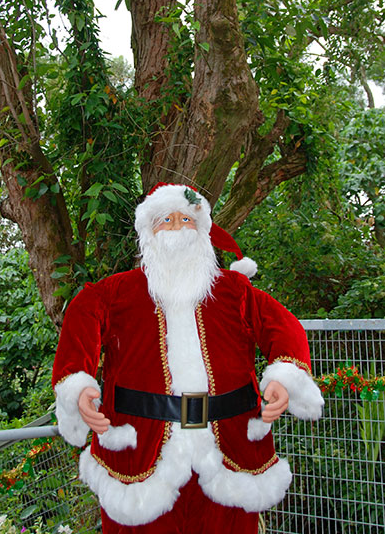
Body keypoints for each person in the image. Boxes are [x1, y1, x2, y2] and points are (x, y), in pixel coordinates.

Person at [52, 183, 324, 533]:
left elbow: (283, 327)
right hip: (141, 454)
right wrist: (77, 385)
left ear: (202, 230)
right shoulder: (115, 293)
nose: (177, 226)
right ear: (148, 233)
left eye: (186, 219)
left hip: (229, 453)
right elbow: (81, 321)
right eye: (165, 220)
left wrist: (284, 378)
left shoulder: (235, 291)